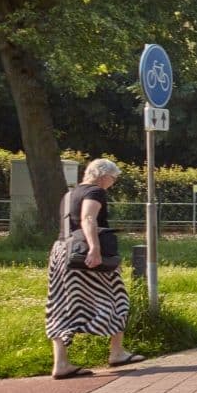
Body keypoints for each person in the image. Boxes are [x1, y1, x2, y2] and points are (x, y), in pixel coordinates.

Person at [45, 158, 141, 380]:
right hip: (85, 253)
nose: (113, 183)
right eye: (113, 178)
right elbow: (88, 219)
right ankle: (117, 352)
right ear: (102, 175)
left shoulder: (69, 195)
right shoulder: (96, 192)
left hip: (63, 252)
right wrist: (95, 249)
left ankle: (60, 363)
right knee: (118, 298)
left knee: (61, 304)